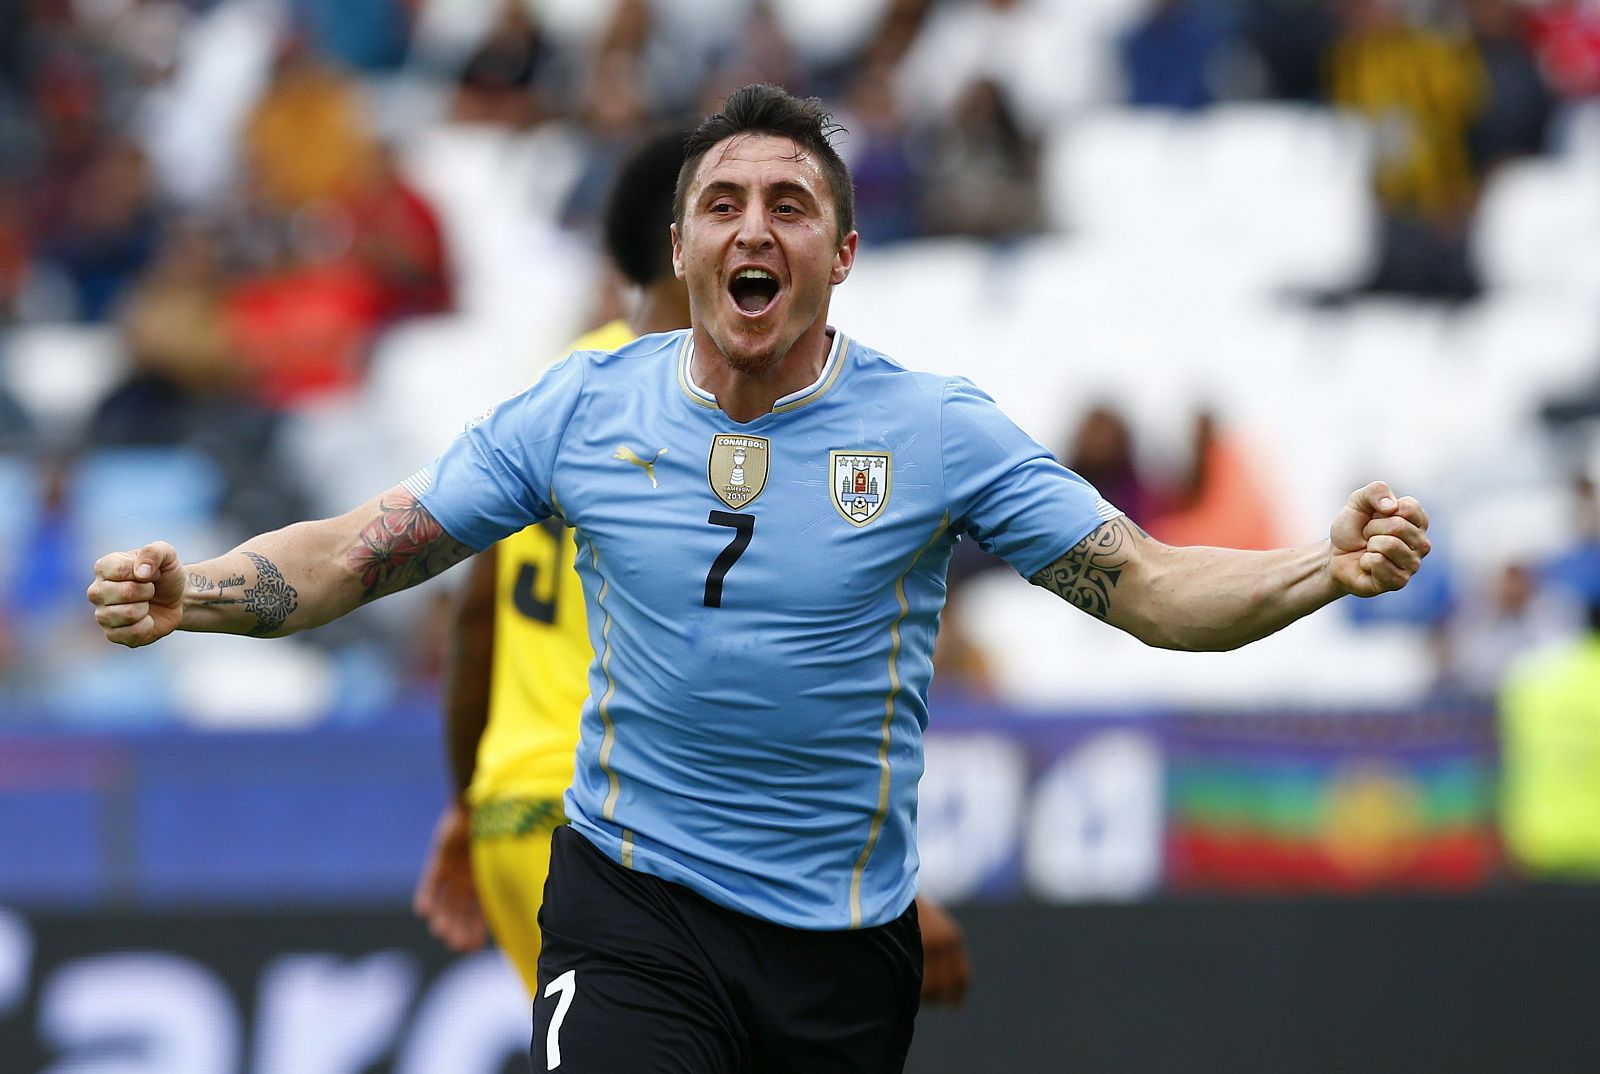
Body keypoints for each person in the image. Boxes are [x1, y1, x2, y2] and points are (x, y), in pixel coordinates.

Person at [88, 85, 1431, 1074]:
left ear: (840, 255)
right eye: (722, 202)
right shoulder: (582, 411)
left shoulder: (934, 433)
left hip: (838, 950)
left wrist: (1324, 564)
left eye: (791, 204)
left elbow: (1147, 587)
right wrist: (194, 591)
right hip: (631, 902)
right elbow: (365, 549)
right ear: (680, 253)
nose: (755, 226)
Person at [407, 126, 973, 1007]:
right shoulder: (715, 412)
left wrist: (466, 798)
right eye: (723, 208)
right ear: (681, 246)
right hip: (630, 819)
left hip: (511, 809)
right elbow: (744, 660)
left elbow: (479, 612)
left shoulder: (562, 386)